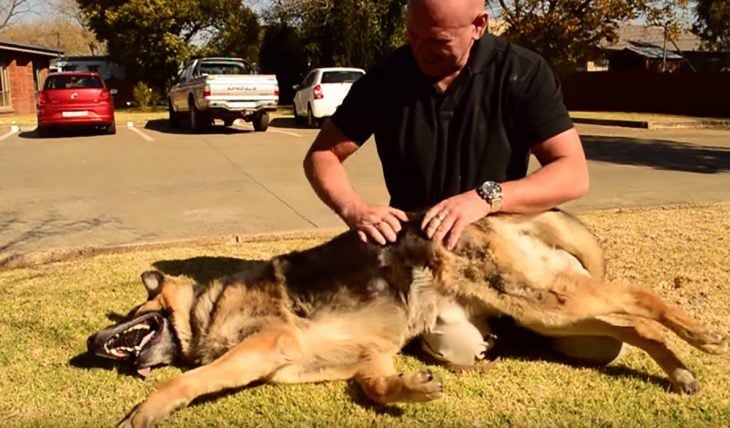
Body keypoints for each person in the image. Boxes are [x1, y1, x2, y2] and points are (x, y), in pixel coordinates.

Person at [303, 0, 622, 366]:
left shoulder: (522, 71)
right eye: (413, 34)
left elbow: (572, 171)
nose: (421, 49)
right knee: (460, 349)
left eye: (438, 40)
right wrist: (355, 210)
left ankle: (521, 319)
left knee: (601, 344)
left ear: (479, 25)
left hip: (511, 238)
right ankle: (506, 321)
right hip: (432, 252)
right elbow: (322, 155)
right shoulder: (386, 79)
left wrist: (487, 197)